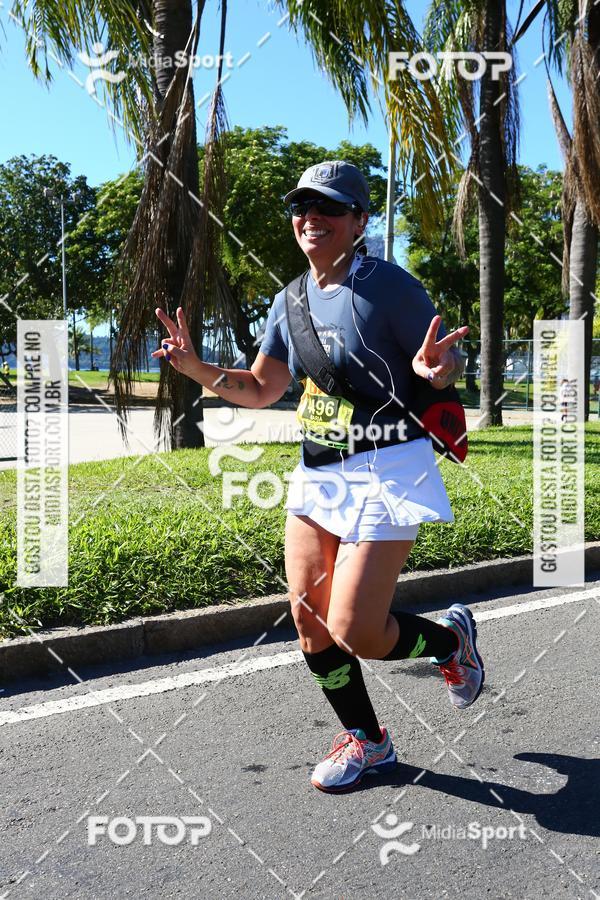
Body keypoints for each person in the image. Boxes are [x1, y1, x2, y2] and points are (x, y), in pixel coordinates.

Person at [153, 160, 484, 794]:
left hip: (390, 468)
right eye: (302, 207)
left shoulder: (391, 288)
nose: (312, 218)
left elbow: (441, 360)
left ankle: (448, 642)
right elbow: (260, 387)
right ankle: (368, 740)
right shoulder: (290, 301)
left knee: (356, 631)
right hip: (319, 471)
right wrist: (194, 367)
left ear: (359, 221)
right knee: (310, 622)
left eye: (329, 207)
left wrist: (439, 370)